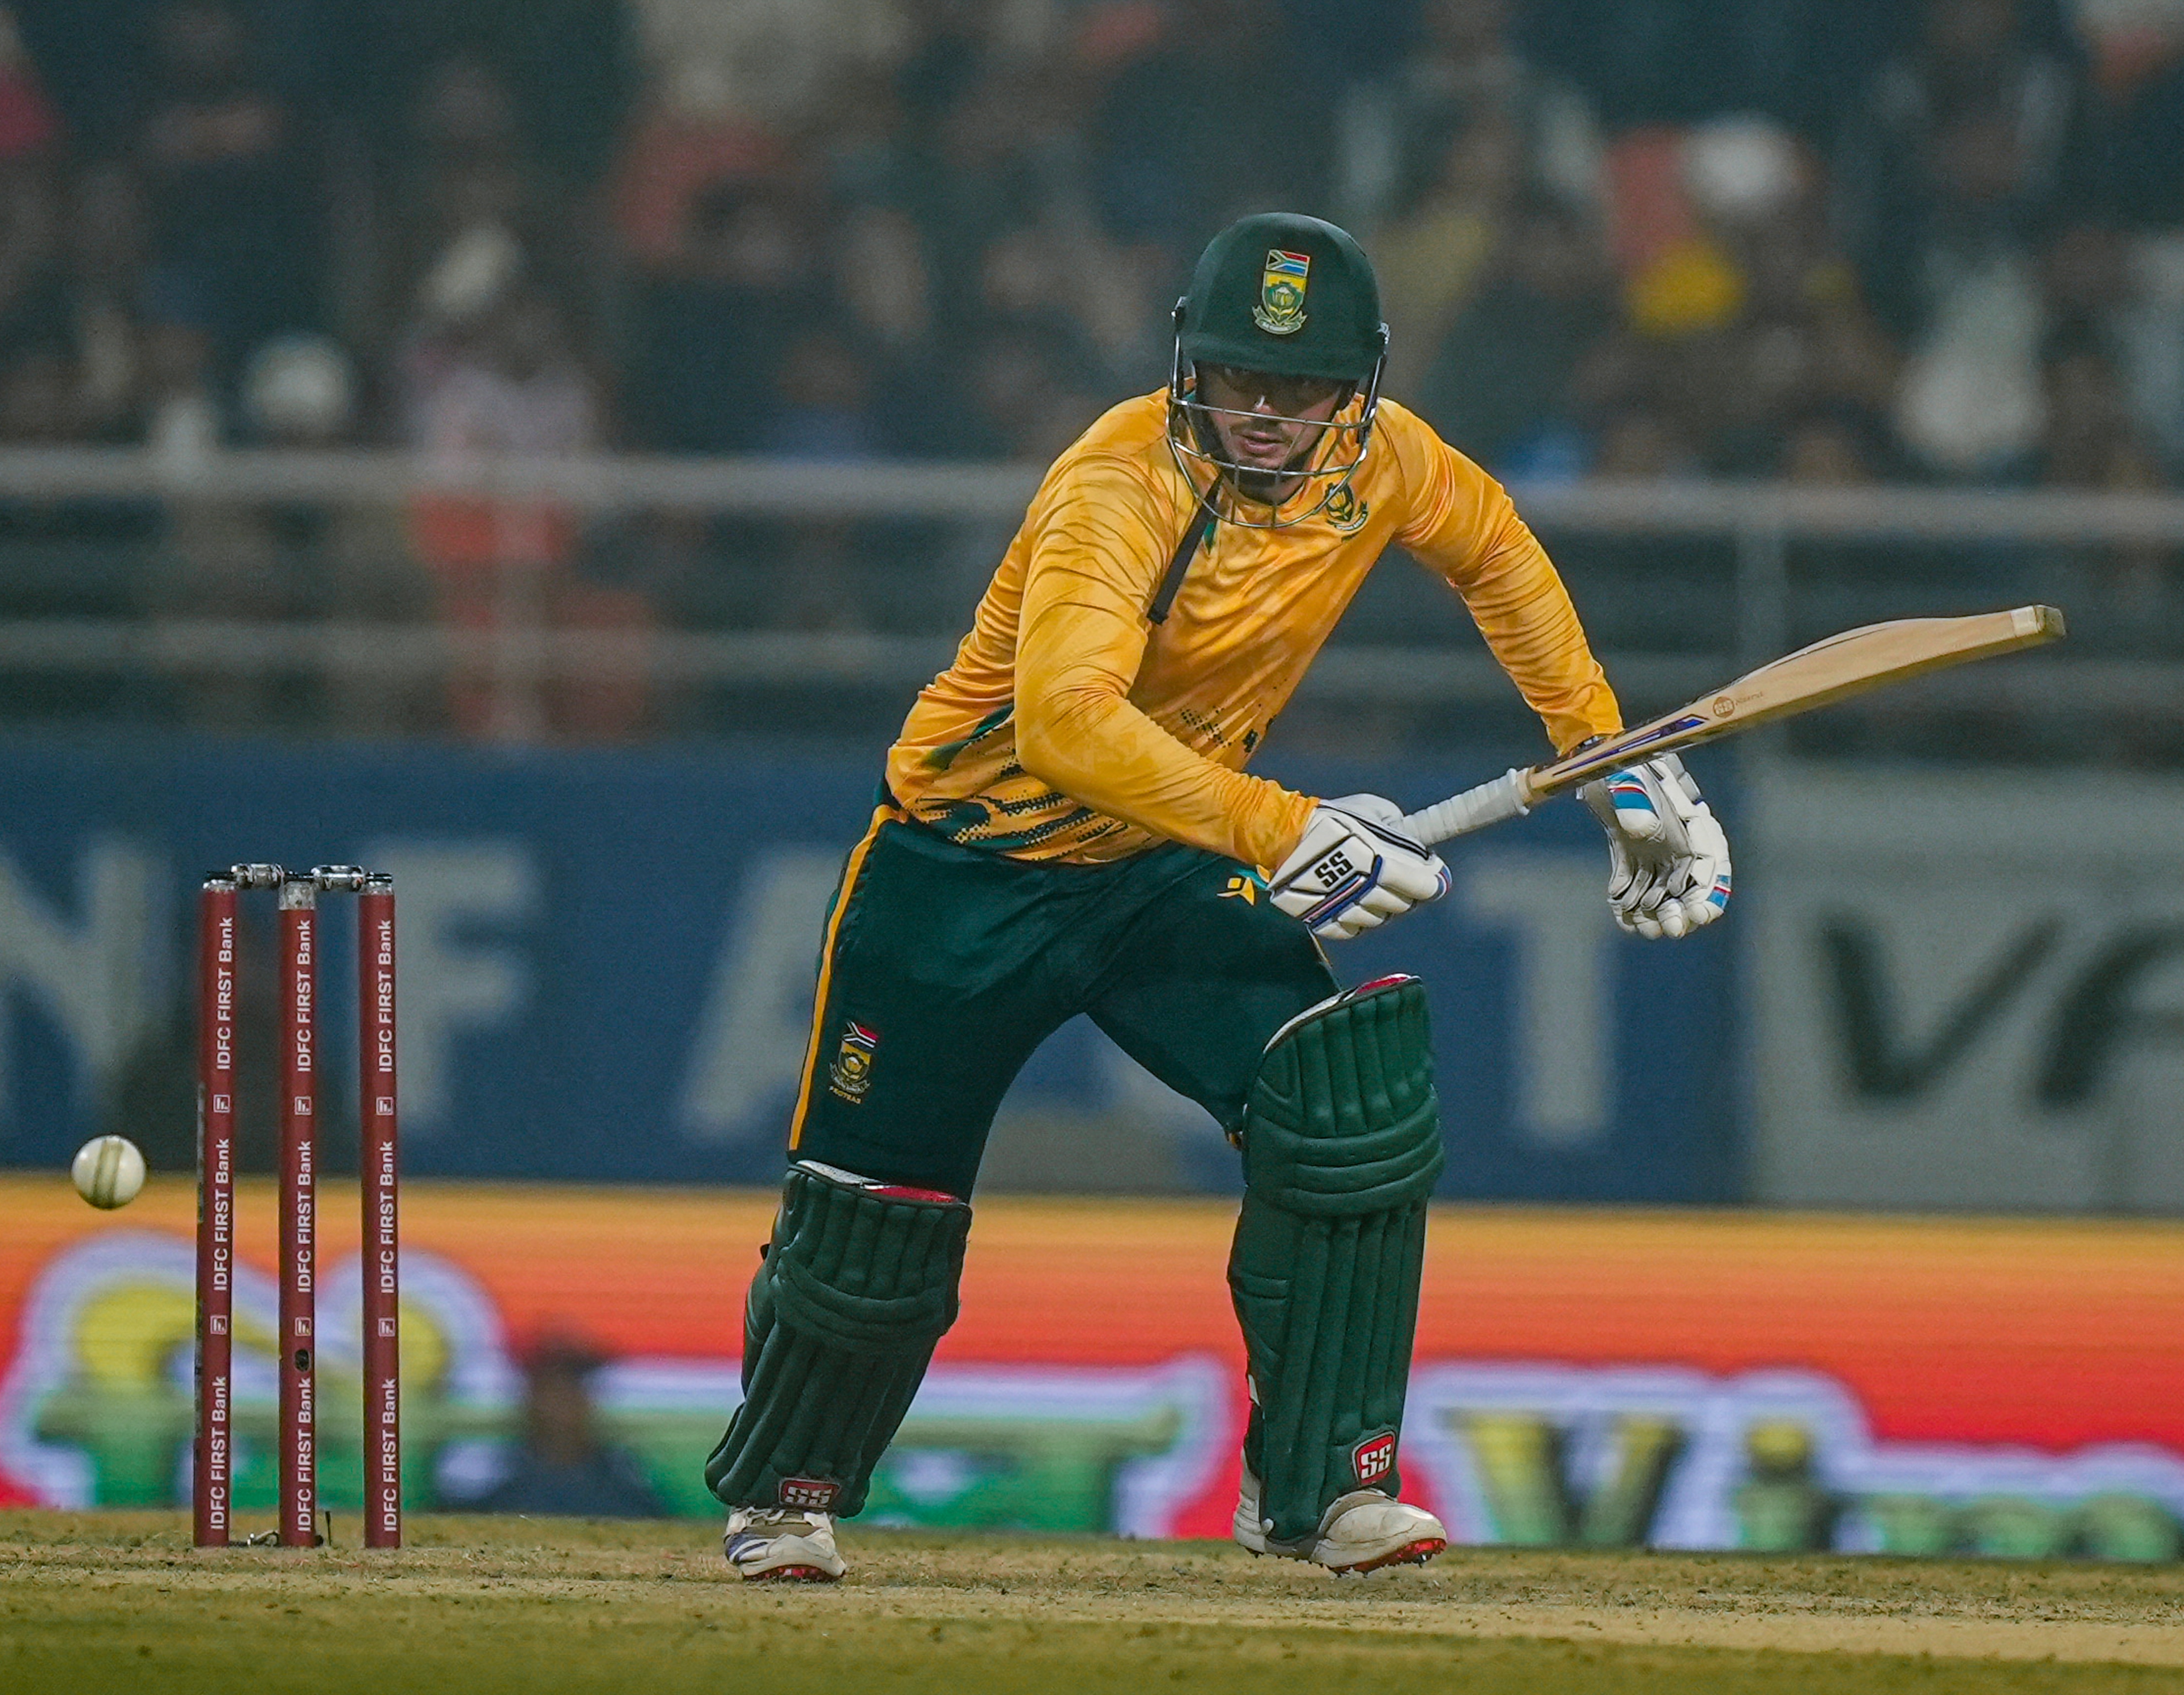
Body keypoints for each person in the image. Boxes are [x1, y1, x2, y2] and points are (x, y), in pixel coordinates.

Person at [705, 212, 1731, 1583]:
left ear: (1357, 385)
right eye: (1239, 376)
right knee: (878, 1205)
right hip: (964, 871)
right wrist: (1281, 823)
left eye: (1298, 386)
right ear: (1190, 361)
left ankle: (1319, 1492)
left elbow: (1502, 561)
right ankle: (786, 1492)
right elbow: (1066, 721)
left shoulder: (1389, 462)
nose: (1262, 411)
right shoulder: (1115, 483)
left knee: (1342, 1106)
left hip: (1160, 863)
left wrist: (1611, 764)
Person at [468, 1341, 669, 1518]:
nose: (562, 1404)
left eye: (574, 1387)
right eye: (552, 1390)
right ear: (531, 1397)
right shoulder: (493, 1478)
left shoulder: (622, 1483)